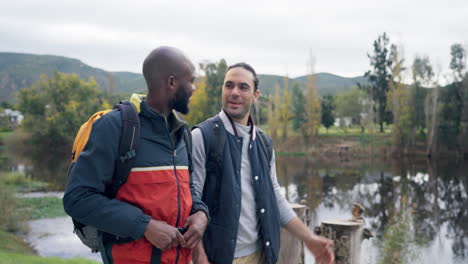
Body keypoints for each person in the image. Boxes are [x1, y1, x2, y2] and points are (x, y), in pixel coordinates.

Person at [63, 46, 209, 264]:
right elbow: (77, 198)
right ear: (171, 83)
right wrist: (145, 226)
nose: (194, 88)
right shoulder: (114, 127)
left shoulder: (182, 133)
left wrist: (200, 213)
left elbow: (187, 189)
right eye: (191, 81)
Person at [191, 62, 334, 264]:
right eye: (229, 85)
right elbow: (190, 202)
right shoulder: (202, 137)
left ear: (255, 96)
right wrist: (199, 257)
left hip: (262, 256)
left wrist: (309, 239)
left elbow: (274, 196)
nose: (234, 92)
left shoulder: (264, 143)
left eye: (243, 87)